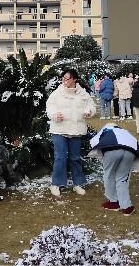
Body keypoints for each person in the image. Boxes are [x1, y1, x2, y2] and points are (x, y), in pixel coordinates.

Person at [46, 68, 95, 197]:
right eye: (64, 78)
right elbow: (49, 107)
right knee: (60, 158)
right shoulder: (57, 93)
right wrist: (56, 115)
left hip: (76, 130)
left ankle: (77, 183)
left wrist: (89, 111)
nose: (65, 81)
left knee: (75, 158)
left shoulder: (83, 94)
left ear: (75, 80)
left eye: (68, 79)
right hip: (59, 130)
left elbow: (91, 106)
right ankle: (56, 184)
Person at [88, 123, 139, 216]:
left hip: (111, 151)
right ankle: (127, 207)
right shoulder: (125, 131)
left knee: (109, 174)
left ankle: (113, 202)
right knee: (122, 178)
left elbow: (93, 142)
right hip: (130, 152)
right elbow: (135, 143)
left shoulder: (104, 131)